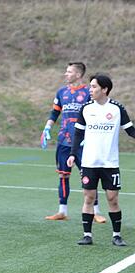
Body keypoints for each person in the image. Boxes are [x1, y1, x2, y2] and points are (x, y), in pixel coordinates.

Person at [67, 73, 134, 246]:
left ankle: (117, 236)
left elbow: (130, 131)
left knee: (113, 199)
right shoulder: (86, 108)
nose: (90, 90)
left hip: (110, 163)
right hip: (89, 162)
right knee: (89, 198)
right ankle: (87, 235)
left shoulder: (117, 109)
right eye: (90, 86)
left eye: (94, 86)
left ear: (104, 89)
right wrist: (73, 154)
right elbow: (78, 133)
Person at [41, 62, 105, 223]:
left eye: (69, 72)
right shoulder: (61, 92)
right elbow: (55, 113)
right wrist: (47, 128)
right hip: (64, 141)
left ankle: (96, 212)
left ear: (78, 74)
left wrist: (92, 135)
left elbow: (97, 114)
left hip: (84, 142)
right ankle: (62, 211)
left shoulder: (88, 92)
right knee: (63, 175)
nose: (66, 74)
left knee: (89, 177)